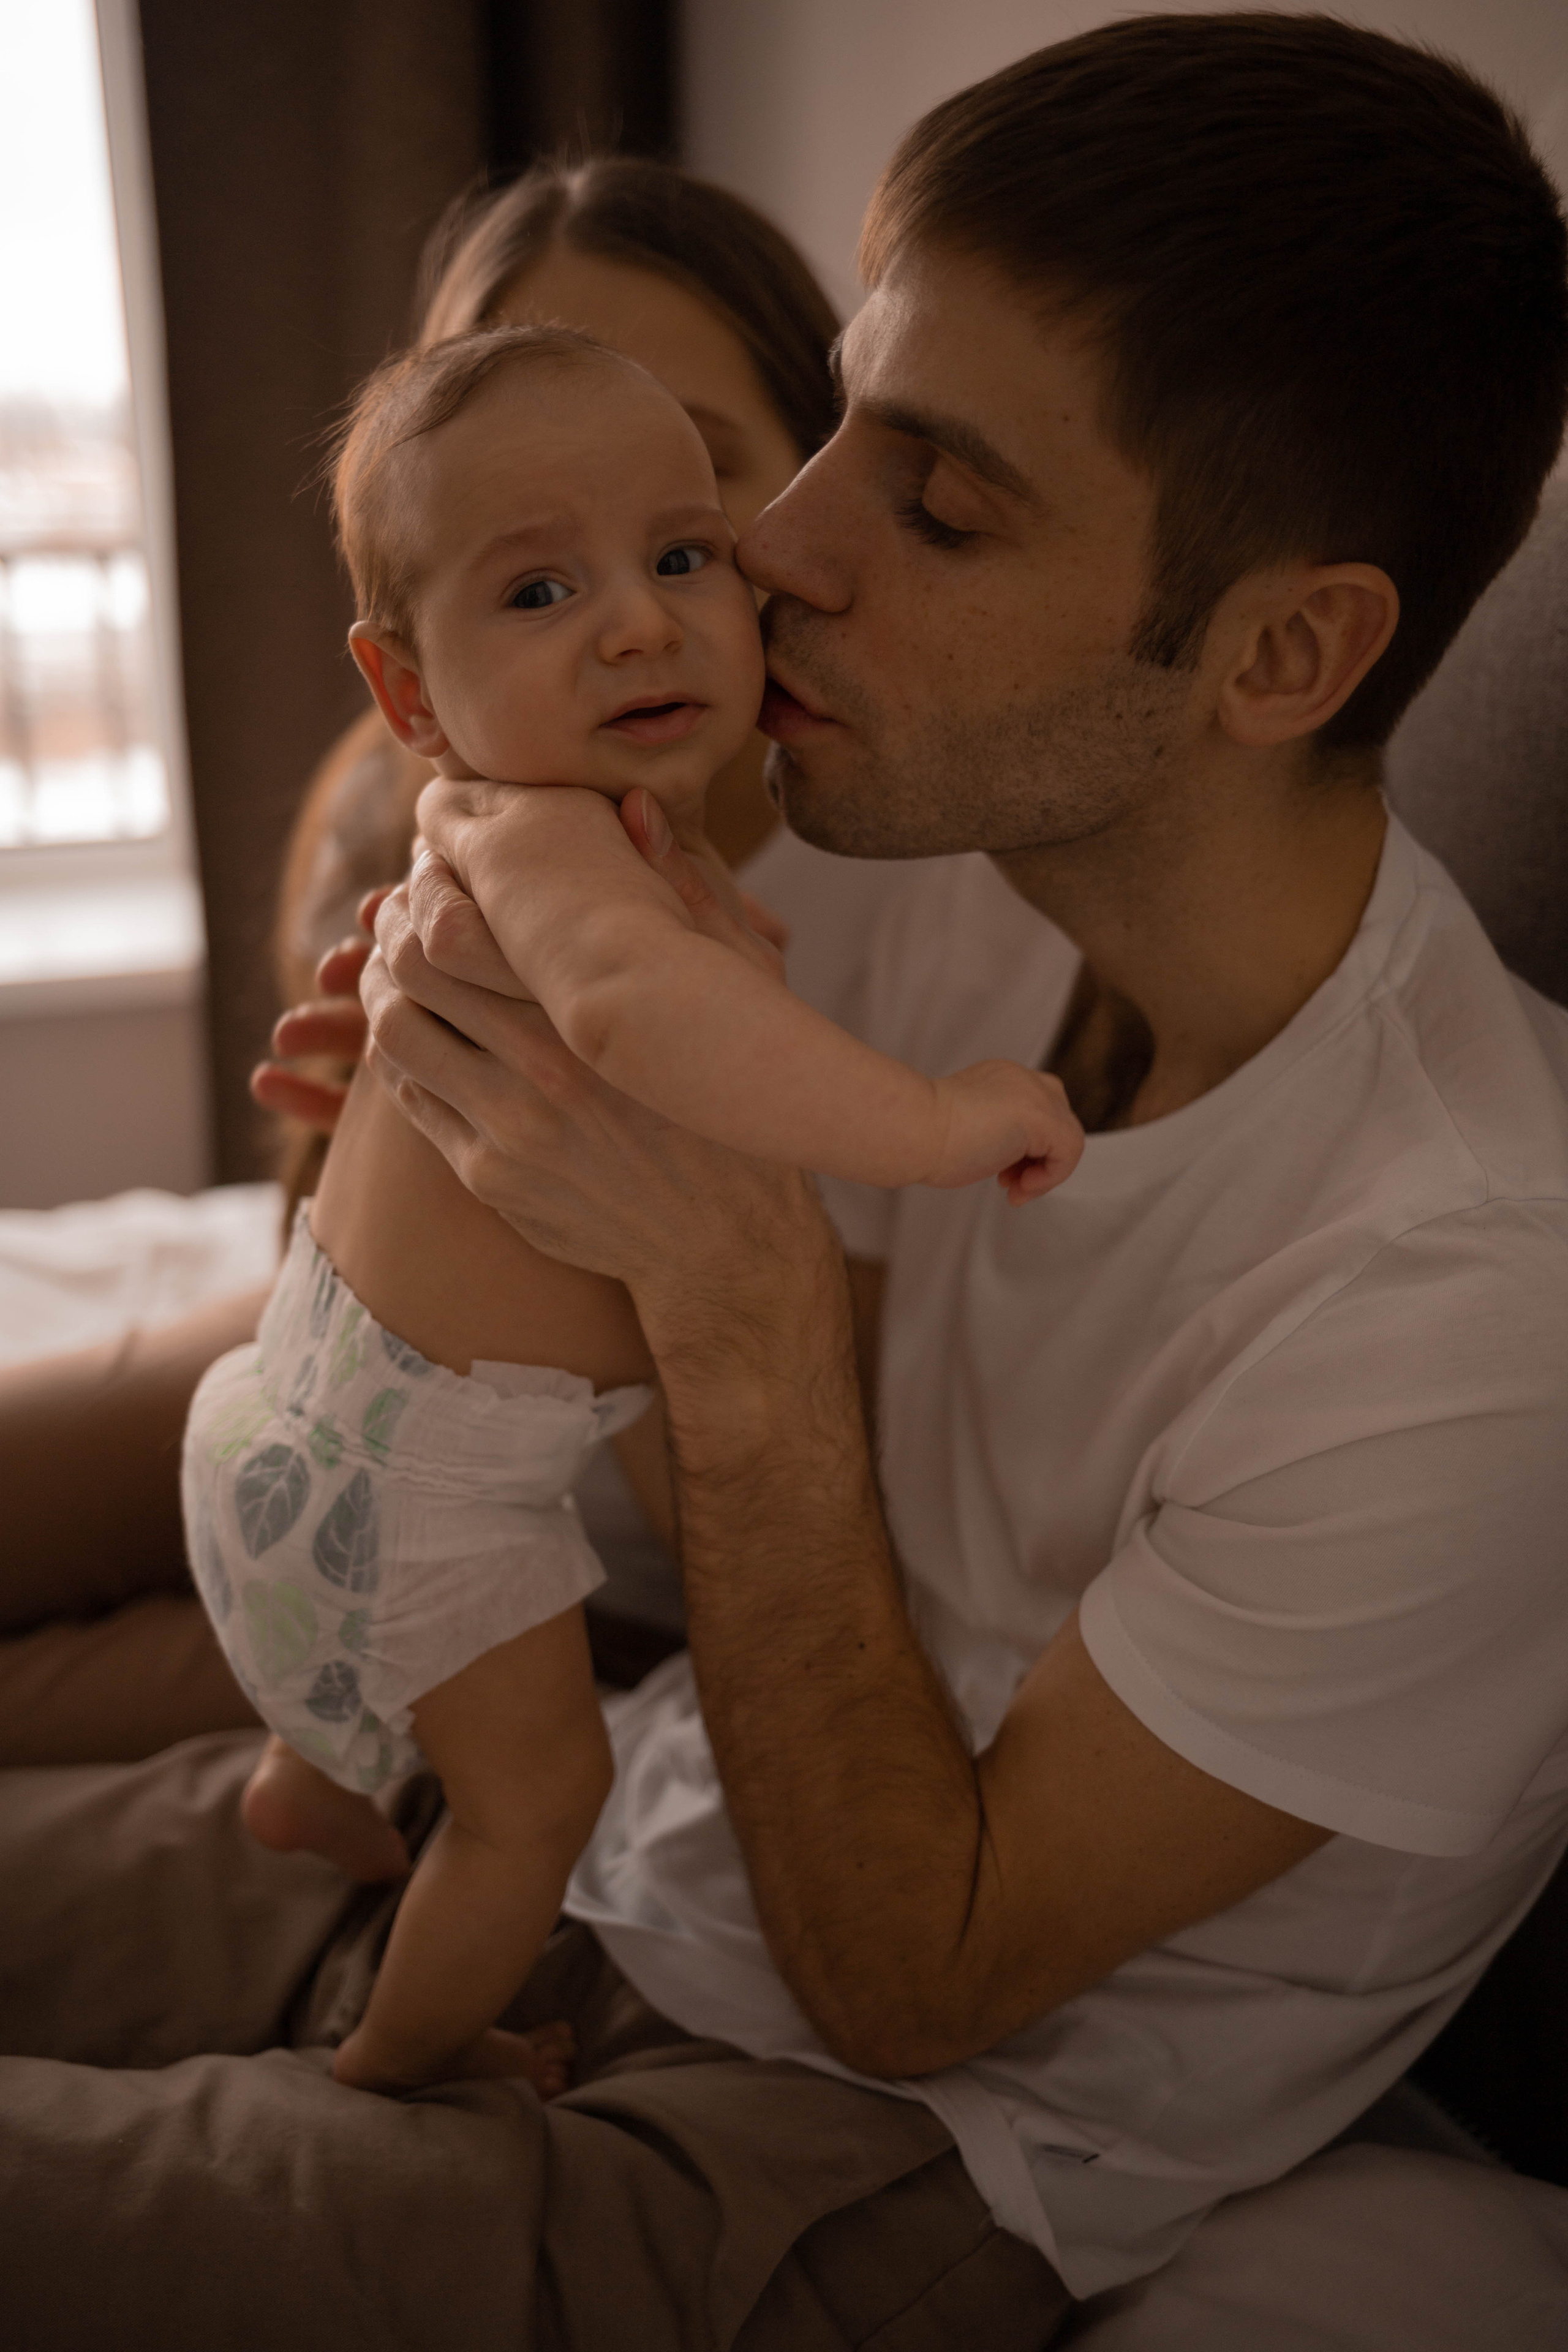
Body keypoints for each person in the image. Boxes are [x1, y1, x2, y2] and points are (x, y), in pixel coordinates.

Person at [4, 19, 1568, 2348]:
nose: (782, 540)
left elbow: (917, 1982)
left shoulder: (1469, 1295)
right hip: (605, 1859)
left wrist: (725, 1290)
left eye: (935, 505)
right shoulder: (1008, 939)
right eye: (833, 418)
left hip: (843, 2145)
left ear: (1281, 652)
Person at [181, 320, 1078, 2096]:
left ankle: (311, 1784)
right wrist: (929, 1119)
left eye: (681, 556)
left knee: (398, 1700)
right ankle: (395, 2069)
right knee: (544, 1805)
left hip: (295, 1434)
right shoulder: (544, 846)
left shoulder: (498, 831)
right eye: (541, 591)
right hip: (416, 1492)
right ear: (410, 693)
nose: (640, 621)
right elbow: (628, 1014)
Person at [0, 156, 854, 1768]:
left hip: (553, 1559)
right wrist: (382, 1113)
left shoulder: (877, 880)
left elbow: (805, 1425)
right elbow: (318, 1211)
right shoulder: (408, 802)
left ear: (808, 480)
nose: (612, 590)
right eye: (517, 497)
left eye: (677, 465)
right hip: (328, 1386)